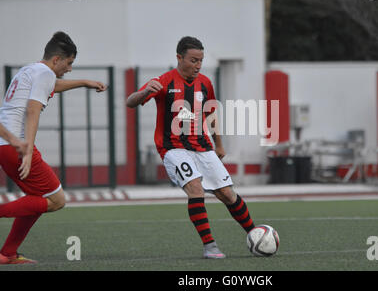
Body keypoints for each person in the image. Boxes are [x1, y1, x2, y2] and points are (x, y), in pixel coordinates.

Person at [127, 36, 255, 259]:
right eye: (193, 60)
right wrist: (146, 91)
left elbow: (211, 113)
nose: (198, 65)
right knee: (195, 188)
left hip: (203, 147)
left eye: (201, 60)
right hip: (173, 149)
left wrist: (219, 144)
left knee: (227, 194)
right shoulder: (164, 81)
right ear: (179, 58)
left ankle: (255, 235)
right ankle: (210, 246)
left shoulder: (205, 83)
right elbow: (130, 101)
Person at [0, 31, 107, 264]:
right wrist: (27, 150)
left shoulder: (30, 70)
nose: (69, 69)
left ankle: (7, 253)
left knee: (37, 198)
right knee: (57, 200)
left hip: (5, 144)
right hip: (15, 145)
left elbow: (52, 86)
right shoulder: (45, 73)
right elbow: (32, 109)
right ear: (56, 60)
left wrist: (83, 83)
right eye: (69, 63)